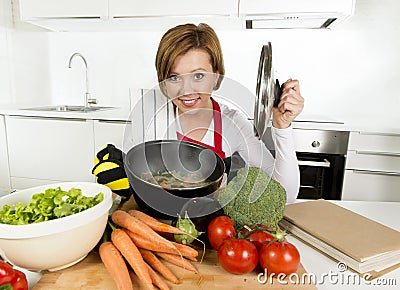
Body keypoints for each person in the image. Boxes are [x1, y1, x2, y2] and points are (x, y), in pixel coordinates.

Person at [154, 23, 304, 203]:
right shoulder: (155, 120)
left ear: (216, 75)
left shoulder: (232, 123)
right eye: (174, 77)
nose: (186, 90)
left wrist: (282, 127)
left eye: (198, 76)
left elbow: (285, 194)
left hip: (214, 226)